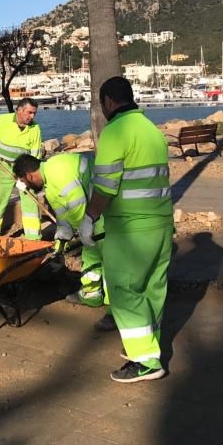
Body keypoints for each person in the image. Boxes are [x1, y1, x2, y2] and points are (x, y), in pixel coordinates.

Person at [80, 76, 173, 384]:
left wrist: (90, 218)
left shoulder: (115, 132)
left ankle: (145, 362)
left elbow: (105, 186)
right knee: (152, 289)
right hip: (160, 224)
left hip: (131, 229)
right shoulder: (151, 130)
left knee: (122, 290)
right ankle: (148, 347)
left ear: (108, 101)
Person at [12, 152, 105, 307]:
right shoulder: (50, 188)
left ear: (29, 176)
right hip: (93, 206)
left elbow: (78, 204)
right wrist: (60, 243)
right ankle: (108, 297)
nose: (27, 187)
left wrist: (84, 230)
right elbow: (63, 218)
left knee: (92, 251)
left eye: (24, 182)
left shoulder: (56, 170)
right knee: (99, 250)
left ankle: (92, 296)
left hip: (101, 201)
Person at [0, 98, 42, 239]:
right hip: (3, 166)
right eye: (29, 112)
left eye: (34, 113)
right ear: (19, 110)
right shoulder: (2, 121)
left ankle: (33, 239)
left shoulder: (35, 129)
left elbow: (35, 156)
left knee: (31, 203)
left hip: (25, 172)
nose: (32, 116)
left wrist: (27, 178)